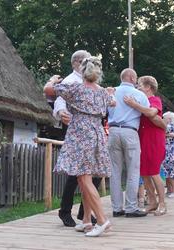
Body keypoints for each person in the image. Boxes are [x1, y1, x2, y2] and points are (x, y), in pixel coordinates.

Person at [53, 56, 115, 236]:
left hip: (80, 133)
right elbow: (113, 102)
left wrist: (52, 81)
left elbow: (51, 89)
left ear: (82, 72)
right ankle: (87, 220)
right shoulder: (103, 92)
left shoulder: (77, 89)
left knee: (84, 178)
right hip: (96, 132)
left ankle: (102, 220)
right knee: (83, 178)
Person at [44, 50, 101, 227]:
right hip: (76, 128)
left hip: (90, 129)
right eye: (87, 62)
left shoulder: (88, 80)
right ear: (77, 63)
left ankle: (85, 212)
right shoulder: (70, 80)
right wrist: (61, 112)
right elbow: (58, 99)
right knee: (76, 173)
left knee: (93, 173)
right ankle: (66, 211)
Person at [108, 68, 150, 218]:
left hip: (112, 131)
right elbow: (148, 112)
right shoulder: (139, 95)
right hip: (130, 131)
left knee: (115, 171)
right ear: (132, 78)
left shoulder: (111, 92)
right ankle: (131, 207)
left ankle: (117, 208)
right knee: (133, 170)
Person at [124, 76, 167, 215]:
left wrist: (134, 104)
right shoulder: (141, 101)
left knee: (154, 172)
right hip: (142, 139)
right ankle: (153, 202)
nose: (137, 87)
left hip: (154, 139)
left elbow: (151, 112)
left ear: (148, 87)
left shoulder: (154, 100)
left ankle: (162, 203)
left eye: (140, 85)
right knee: (144, 173)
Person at [161, 111, 174, 198]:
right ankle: (169, 190)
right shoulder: (173, 126)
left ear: (169, 119)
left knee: (170, 170)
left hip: (170, 150)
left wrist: (169, 134)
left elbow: (164, 132)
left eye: (164, 118)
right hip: (169, 149)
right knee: (167, 170)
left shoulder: (170, 125)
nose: (162, 119)